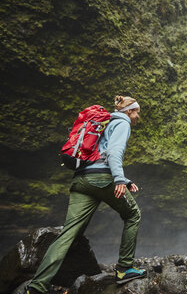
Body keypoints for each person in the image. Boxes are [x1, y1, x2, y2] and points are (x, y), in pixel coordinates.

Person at [25, 96, 146, 294]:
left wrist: (125, 180)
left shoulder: (103, 123)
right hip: (103, 179)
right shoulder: (122, 124)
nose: (138, 116)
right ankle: (124, 269)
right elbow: (114, 153)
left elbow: (99, 155)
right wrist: (118, 179)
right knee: (133, 215)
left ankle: (37, 286)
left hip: (82, 179)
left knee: (68, 234)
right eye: (136, 111)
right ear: (129, 112)